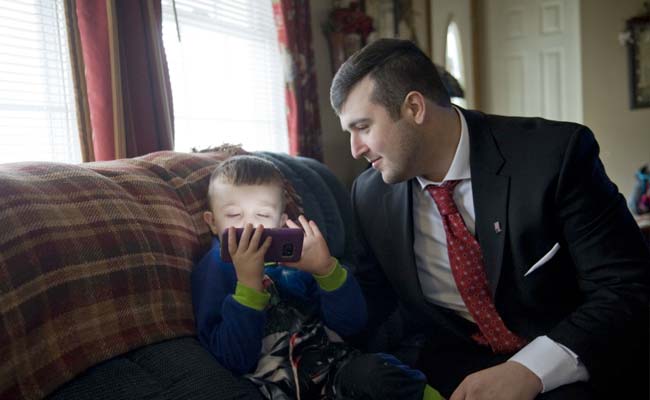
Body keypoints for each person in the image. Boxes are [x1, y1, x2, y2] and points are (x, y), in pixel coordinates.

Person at [330, 38, 649, 400]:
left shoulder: (553, 156)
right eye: (349, 132)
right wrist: (318, 274)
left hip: (571, 355)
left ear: (414, 107)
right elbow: (371, 303)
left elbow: (626, 286)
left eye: (363, 127)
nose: (356, 149)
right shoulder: (369, 196)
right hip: (457, 367)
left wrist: (529, 370)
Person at [191, 155, 444, 400]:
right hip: (273, 386)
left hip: (337, 369)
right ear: (212, 222)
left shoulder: (297, 261)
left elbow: (352, 325)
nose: (251, 229)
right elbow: (232, 359)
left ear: (281, 221)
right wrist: (248, 285)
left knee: (379, 374)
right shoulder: (213, 269)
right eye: (235, 216)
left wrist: (326, 271)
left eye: (263, 216)